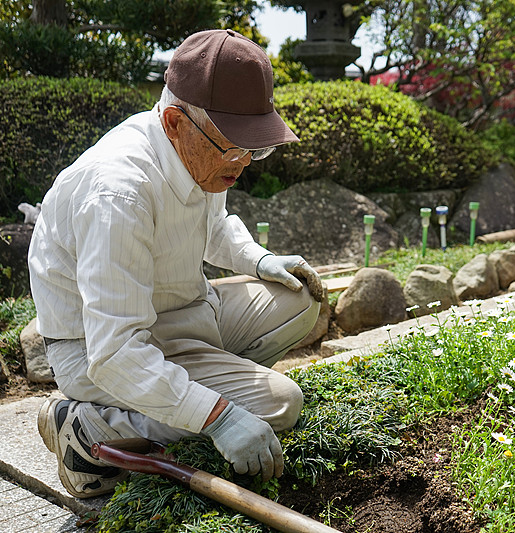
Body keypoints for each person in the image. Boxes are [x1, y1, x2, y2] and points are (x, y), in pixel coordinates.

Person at [28, 29, 324, 499]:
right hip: (99, 348)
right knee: (282, 404)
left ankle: (188, 391)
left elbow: (215, 225)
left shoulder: (204, 151)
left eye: (256, 147)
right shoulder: (117, 193)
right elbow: (116, 352)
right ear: (173, 122)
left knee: (299, 297)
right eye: (235, 146)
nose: (245, 161)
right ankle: (90, 431)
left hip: (181, 313)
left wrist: (261, 259)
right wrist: (219, 417)